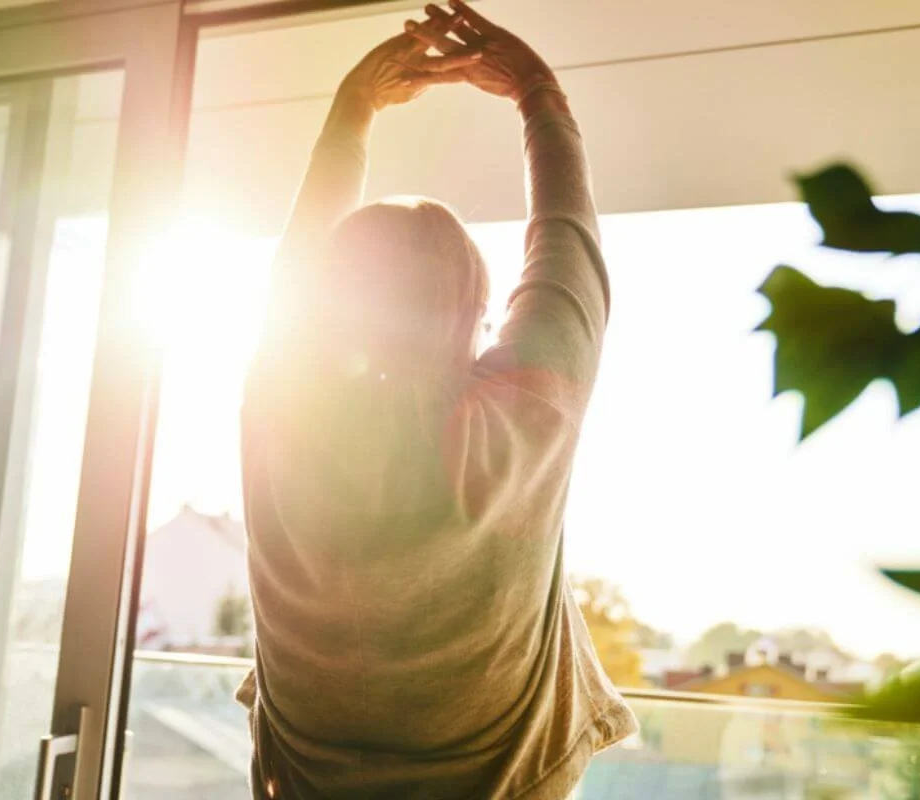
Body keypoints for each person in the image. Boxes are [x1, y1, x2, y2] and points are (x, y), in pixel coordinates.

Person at [236, 2, 637, 797]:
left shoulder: (281, 403)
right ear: (477, 312)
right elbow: (568, 245)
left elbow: (298, 268)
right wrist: (536, 93)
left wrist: (354, 108)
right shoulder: (518, 418)